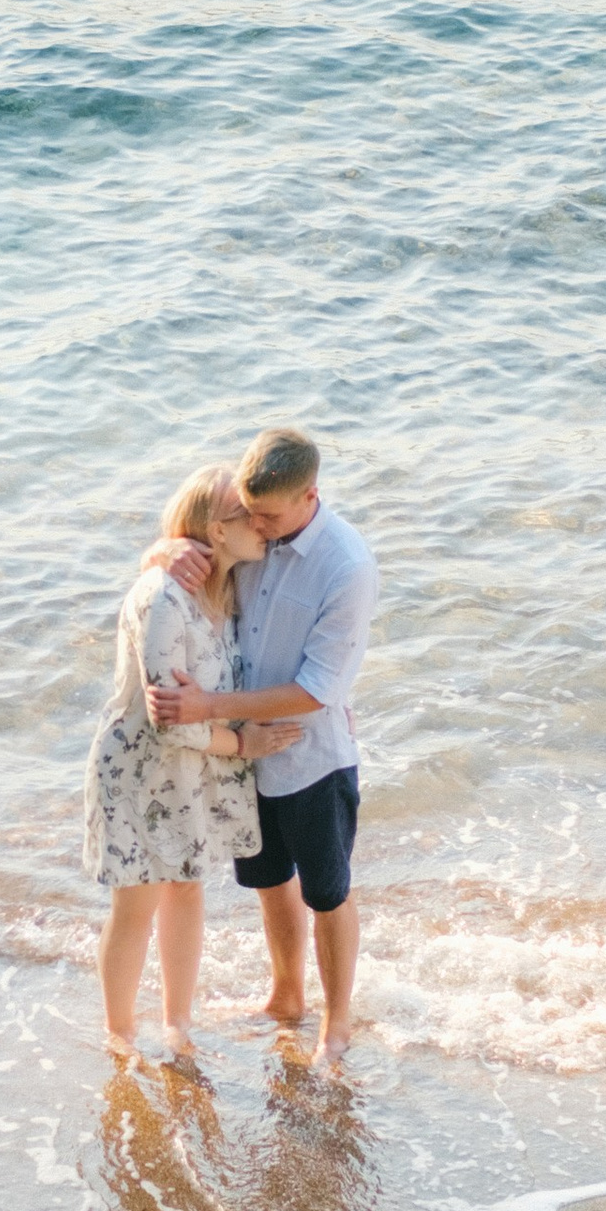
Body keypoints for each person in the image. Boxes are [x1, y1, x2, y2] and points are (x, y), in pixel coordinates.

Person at [148, 424, 377, 1063]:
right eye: (251, 514)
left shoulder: (347, 566)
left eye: (271, 517)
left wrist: (209, 709)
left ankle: (336, 1024)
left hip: (314, 755)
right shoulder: (255, 532)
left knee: (327, 891)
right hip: (245, 753)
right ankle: (286, 996)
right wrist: (166, 551)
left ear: (310, 496)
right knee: (270, 879)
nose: (259, 527)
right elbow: (184, 549)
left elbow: (315, 691)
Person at [85, 467, 296, 1062]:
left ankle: (178, 1025)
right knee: (136, 903)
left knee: (186, 887)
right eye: (246, 514)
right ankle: (120, 1036)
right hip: (140, 771)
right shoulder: (163, 597)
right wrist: (246, 746)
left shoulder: (229, 587)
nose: (261, 524)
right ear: (216, 530)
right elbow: (171, 719)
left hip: (192, 775)